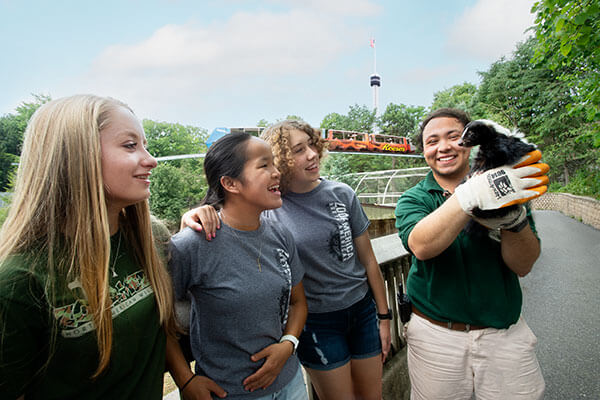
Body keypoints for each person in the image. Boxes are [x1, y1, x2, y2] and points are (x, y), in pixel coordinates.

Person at [183, 120, 391, 400]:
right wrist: (193, 216)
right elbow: (231, 213)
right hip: (317, 322)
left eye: (312, 145)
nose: (312, 154)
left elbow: (367, 261)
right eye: (298, 150)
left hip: (360, 310)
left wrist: (384, 316)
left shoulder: (339, 195)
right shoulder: (271, 207)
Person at [0, 95, 177, 399]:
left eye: (144, 145)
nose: (151, 160)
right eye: (130, 145)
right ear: (75, 156)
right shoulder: (19, 280)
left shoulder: (151, 239)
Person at [395, 108, 549, 399]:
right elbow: (421, 246)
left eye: (454, 137)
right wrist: (470, 194)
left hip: (504, 334)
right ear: (424, 151)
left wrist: (514, 222)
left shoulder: (508, 187)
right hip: (435, 335)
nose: (443, 147)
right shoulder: (413, 198)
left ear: (469, 141)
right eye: (432, 141)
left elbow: (524, 264)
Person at [167, 132, 308, 400]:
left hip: (290, 382)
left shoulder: (280, 235)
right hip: (228, 392)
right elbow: (158, 320)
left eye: (274, 164)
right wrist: (185, 381)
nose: (277, 172)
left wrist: (288, 345)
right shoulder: (192, 244)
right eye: (264, 165)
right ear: (231, 183)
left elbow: (298, 302)